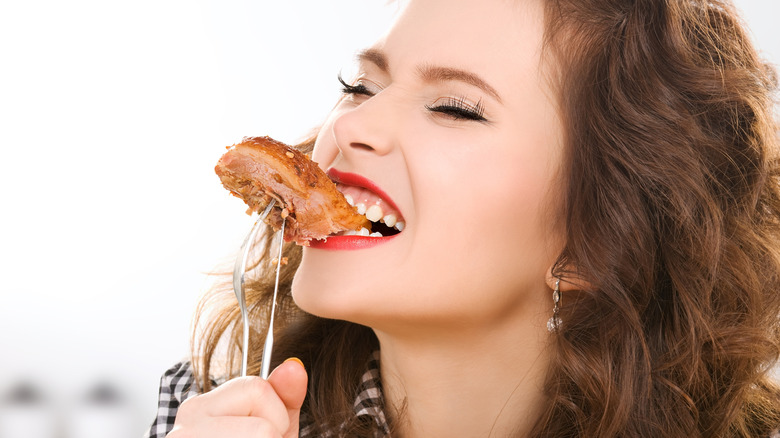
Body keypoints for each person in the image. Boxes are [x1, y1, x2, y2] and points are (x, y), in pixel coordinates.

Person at [145, 0, 780, 436]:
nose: (352, 124)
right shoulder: (208, 410)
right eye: (362, 86)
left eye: (454, 108)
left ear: (598, 240)